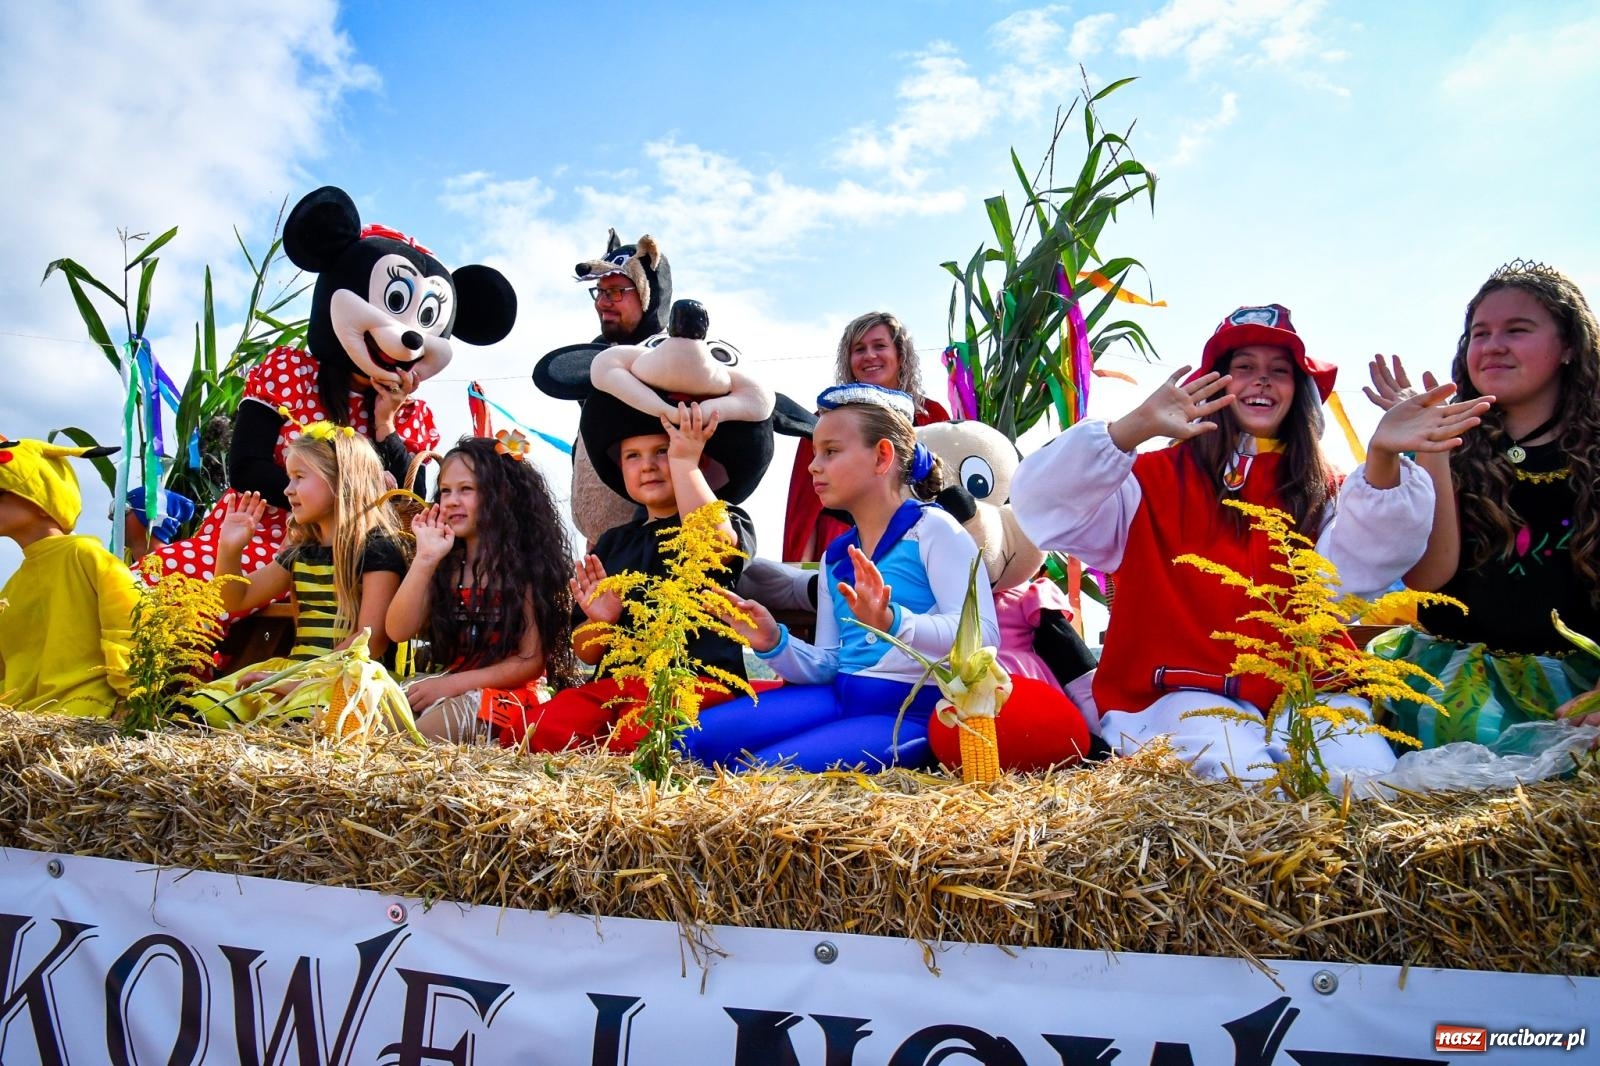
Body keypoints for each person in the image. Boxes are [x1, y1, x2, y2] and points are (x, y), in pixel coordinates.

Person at [1011, 304, 1491, 781]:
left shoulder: (1328, 490)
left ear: (1299, 393)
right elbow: (1044, 505)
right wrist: (1134, 426)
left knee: (1361, 781)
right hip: (1177, 691)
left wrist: (1383, 455)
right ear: (1214, 383)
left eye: (1279, 371)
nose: (1262, 380)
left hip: (1310, 689)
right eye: (1244, 367)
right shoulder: (1144, 480)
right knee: (1236, 777)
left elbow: (1345, 586)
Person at [692, 383, 996, 772]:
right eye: (816, 453)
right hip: (839, 696)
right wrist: (773, 642)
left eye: (831, 452)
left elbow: (984, 637)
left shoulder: (935, 530)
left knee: (757, 776)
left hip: (909, 715)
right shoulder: (835, 557)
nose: (813, 466)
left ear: (882, 456)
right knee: (691, 742)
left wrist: (894, 622)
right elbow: (829, 663)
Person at [1368, 261, 1600, 746]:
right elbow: (1428, 580)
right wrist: (1435, 445)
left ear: (1569, 347)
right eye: (1480, 333)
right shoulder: (1442, 448)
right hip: (1453, 680)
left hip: (1579, 683)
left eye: (1517, 329)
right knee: (1463, 731)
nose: (1493, 345)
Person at [526, 402, 755, 752]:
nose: (647, 465)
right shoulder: (611, 543)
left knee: (641, 739)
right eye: (632, 456)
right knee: (538, 730)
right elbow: (586, 653)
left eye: (662, 451)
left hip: (692, 683)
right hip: (617, 686)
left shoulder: (725, 518)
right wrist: (601, 621)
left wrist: (684, 462)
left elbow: (714, 545)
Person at [181, 426, 407, 726]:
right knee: (203, 709)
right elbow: (235, 599)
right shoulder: (301, 552)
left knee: (304, 722)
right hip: (295, 669)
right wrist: (229, 549)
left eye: (299, 477)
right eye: (290, 477)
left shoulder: (377, 550)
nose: (288, 490)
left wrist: (300, 681)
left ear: (342, 481)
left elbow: (370, 641)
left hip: (346, 677)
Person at [385, 434, 581, 745]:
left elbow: (530, 662)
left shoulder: (528, 568)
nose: (452, 500)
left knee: (422, 737)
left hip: (511, 696)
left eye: (466, 489)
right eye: (446, 491)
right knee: (377, 722)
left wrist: (451, 686)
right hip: (450, 682)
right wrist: (425, 559)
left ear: (502, 494)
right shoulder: (445, 563)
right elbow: (398, 630)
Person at [782, 312, 950, 563]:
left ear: (900, 354)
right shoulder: (825, 421)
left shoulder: (931, 415)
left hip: (919, 540)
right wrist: (802, 573)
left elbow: (949, 487)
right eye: (859, 349)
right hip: (842, 545)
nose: (869, 355)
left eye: (879, 346)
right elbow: (806, 510)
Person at [0, 437, 138, 716]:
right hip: (22, 722)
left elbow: (128, 626)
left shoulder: (85, 555)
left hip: (87, 715)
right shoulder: (10, 588)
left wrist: (132, 699)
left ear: (42, 497)